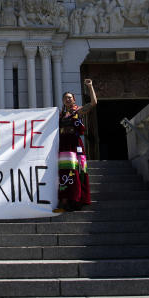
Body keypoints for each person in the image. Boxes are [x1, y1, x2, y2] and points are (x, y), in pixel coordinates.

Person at [56, 78, 98, 212]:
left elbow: (93, 103)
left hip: (75, 146)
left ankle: (76, 199)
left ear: (74, 100)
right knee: (64, 172)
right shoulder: (61, 115)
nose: (67, 100)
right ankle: (64, 201)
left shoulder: (78, 111)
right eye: (65, 98)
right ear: (63, 101)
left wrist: (90, 86)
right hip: (64, 146)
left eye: (70, 98)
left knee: (76, 172)